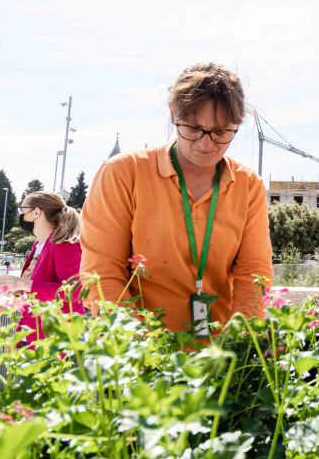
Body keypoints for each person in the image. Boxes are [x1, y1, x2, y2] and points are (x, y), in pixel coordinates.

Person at [80, 62, 273, 334]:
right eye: (193, 128)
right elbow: (102, 275)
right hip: (136, 355)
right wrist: (143, 349)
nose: (206, 144)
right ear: (173, 114)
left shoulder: (248, 185)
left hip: (218, 357)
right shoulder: (122, 173)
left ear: (239, 120)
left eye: (221, 132)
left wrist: (239, 343)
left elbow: (253, 275)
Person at [0, 190, 84, 345]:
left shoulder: (64, 245)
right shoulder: (38, 246)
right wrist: (20, 289)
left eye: (22, 210)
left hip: (55, 338)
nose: (21, 215)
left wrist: (25, 284)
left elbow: (75, 291)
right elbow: (41, 287)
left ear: (36, 212)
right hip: (32, 332)